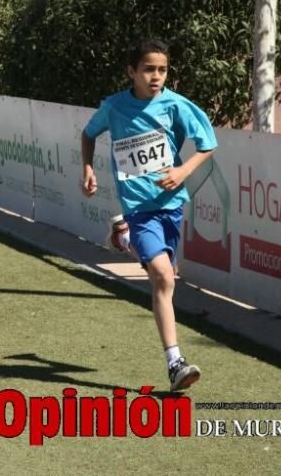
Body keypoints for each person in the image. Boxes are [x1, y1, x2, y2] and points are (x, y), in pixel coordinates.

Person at [80, 38, 217, 392]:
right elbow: (88, 133)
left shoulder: (175, 105)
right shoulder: (114, 107)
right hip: (139, 208)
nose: (156, 76)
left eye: (162, 70)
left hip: (171, 205)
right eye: (148, 70)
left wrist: (182, 172)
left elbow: (208, 144)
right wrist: (88, 169)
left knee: (166, 275)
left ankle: (121, 237)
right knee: (163, 278)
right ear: (132, 71)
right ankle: (175, 363)